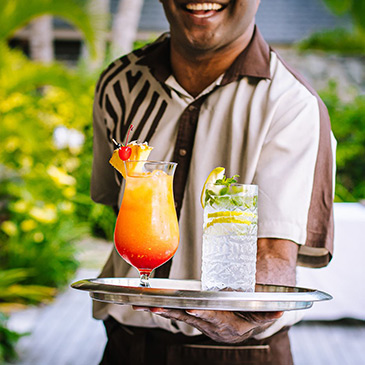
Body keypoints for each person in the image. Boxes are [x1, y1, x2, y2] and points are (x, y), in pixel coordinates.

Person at [91, 0, 335, 364]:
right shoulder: (119, 84)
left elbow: (274, 251)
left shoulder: (291, 103)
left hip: (242, 354)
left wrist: (250, 312)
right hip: (127, 345)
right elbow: (119, 206)